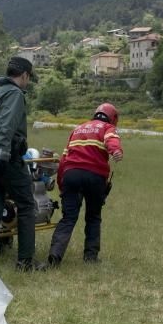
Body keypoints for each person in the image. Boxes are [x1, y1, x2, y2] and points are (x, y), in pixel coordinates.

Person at [0, 56, 46, 273]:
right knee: (26, 205)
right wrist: (4, 156)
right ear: (24, 75)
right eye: (28, 77)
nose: (27, 81)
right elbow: (5, 126)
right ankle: (25, 262)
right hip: (5, 157)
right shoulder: (14, 94)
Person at [47, 103, 123, 267]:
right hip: (94, 176)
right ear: (113, 118)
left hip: (71, 175)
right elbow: (112, 140)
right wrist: (116, 151)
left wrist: (62, 183)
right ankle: (90, 257)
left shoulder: (78, 129)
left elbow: (64, 159)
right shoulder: (108, 127)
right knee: (93, 217)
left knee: (68, 218)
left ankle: (55, 254)